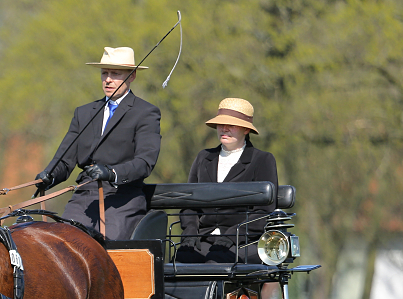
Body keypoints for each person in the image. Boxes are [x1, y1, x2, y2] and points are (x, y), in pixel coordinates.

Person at [35, 47, 161, 240]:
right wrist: (49, 176)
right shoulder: (83, 112)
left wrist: (112, 173)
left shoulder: (145, 113)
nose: (108, 79)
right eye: (104, 73)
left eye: (115, 74)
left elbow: (145, 162)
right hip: (83, 199)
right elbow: (65, 159)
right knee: (60, 244)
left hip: (122, 199)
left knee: (106, 251)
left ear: (132, 76)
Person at [176, 97, 278, 263]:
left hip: (244, 241)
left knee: (217, 260)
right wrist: (190, 232)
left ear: (246, 130)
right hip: (204, 238)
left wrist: (233, 235)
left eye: (231, 125)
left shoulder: (262, 160)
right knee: (180, 260)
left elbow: (263, 211)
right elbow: (189, 203)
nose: (224, 129)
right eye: (221, 124)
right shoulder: (204, 157)